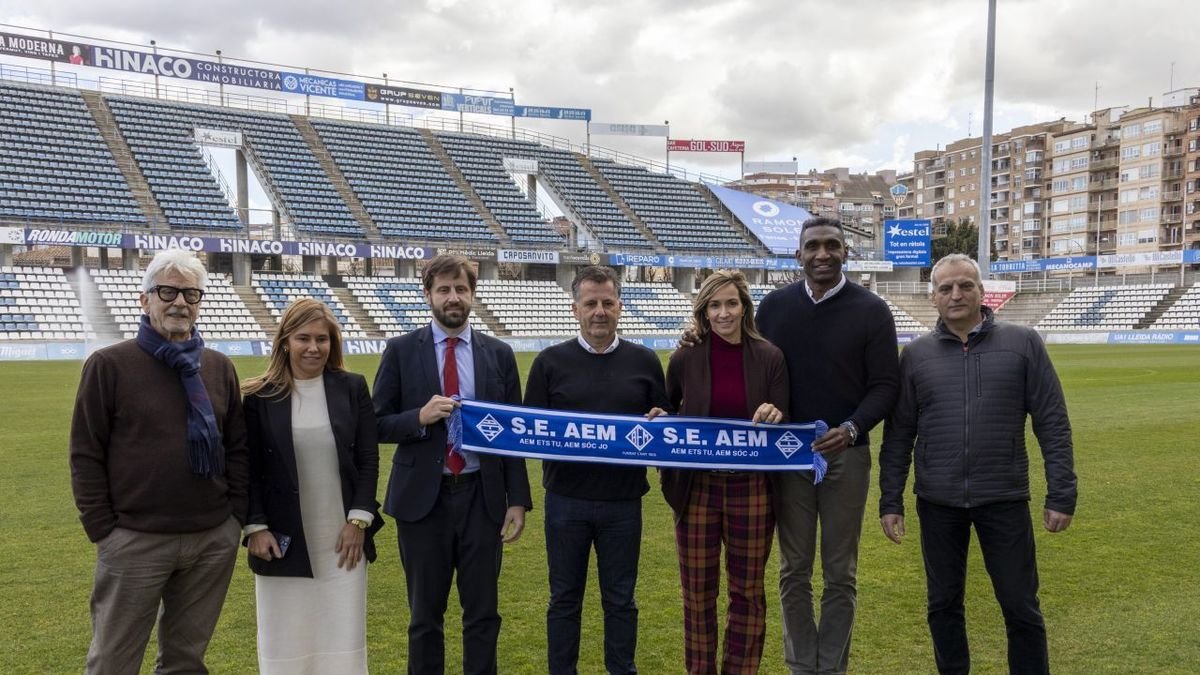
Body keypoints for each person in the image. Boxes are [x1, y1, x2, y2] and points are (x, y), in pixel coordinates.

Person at [879, 253, 1077, 675]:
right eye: (946, 288)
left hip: (1003, 497)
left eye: (965, 285)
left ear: (983, 292)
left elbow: (1052, 422)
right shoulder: (915, 355)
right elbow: (898, 434)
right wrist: (890, 500)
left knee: (1021, 606)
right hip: (938, 500)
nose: (956, 294)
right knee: (943, 604)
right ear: (933, 297)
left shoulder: (1023, 343)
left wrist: (1061, 492)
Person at [69, 249, 248, 674]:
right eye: (167, 291)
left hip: (210, 538)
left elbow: (238, 447)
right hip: (134, 539)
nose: (180, 302)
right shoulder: (109, 365)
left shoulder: (218, 367)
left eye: (191, 293)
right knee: (114, 660)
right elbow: (85, 452)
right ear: (144, 299)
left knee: (186, 661)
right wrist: (103, 530)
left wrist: (234, 518)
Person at [372, 254, 532, 675]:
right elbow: (374, 423)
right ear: (427, 295)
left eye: (461, 289)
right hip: (423, 503)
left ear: (473, 295)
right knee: (425, 617)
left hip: (483, 497)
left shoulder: (498, 354)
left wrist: (518, 499)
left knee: (483, 615)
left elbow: (513, 432)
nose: (453, 297)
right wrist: (418, 419)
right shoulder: (402, 350)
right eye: (443, 289)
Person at [757, 217, 900, 675]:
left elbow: (884, 386)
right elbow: (751, 367)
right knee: (793, 569)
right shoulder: (774, 308)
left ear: (846, 253)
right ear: (798, 254)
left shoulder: (872, 310)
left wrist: (853, 428)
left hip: (847, 454)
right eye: (813, 246)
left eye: (832, 246)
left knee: (840, 573)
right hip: (787, 456)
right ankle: (802, 666)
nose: (823, 254)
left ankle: (831, 667)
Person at [523, 265, 669, 675]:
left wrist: (663, 418)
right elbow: (527, 430)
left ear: (620, 306)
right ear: (576, 309)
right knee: (563, 599)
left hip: (623, 504)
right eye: (591, 303)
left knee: (621, 599)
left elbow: (665, 421)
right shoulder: (549, 362)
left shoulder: (644, 360)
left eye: (607, 302)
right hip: (565, 502)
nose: (600, 311)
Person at [657, 270, 789, 675]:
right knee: (697, 594)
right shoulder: (685, 357)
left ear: (745, 307)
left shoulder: (769, 357)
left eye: (732, 303)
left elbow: (785, 417)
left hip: (752, 488)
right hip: (697, 488)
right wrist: (664, 417)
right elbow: (671, 409)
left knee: (747, 592)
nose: (724, 312)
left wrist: (774, 413)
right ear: (704, 311)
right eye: (715, 305)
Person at [241, 298, 382, 674]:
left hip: (341, 541)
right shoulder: (258, 396)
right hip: (281, 541)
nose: (314, 347)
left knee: (343, 636)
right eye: (304, 338)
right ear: (285, 340)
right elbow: (247, 468)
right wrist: (255, 527)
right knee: (285, 636)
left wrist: (358, 522)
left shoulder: (352, 387)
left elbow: (367, 460)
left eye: (323, 339)